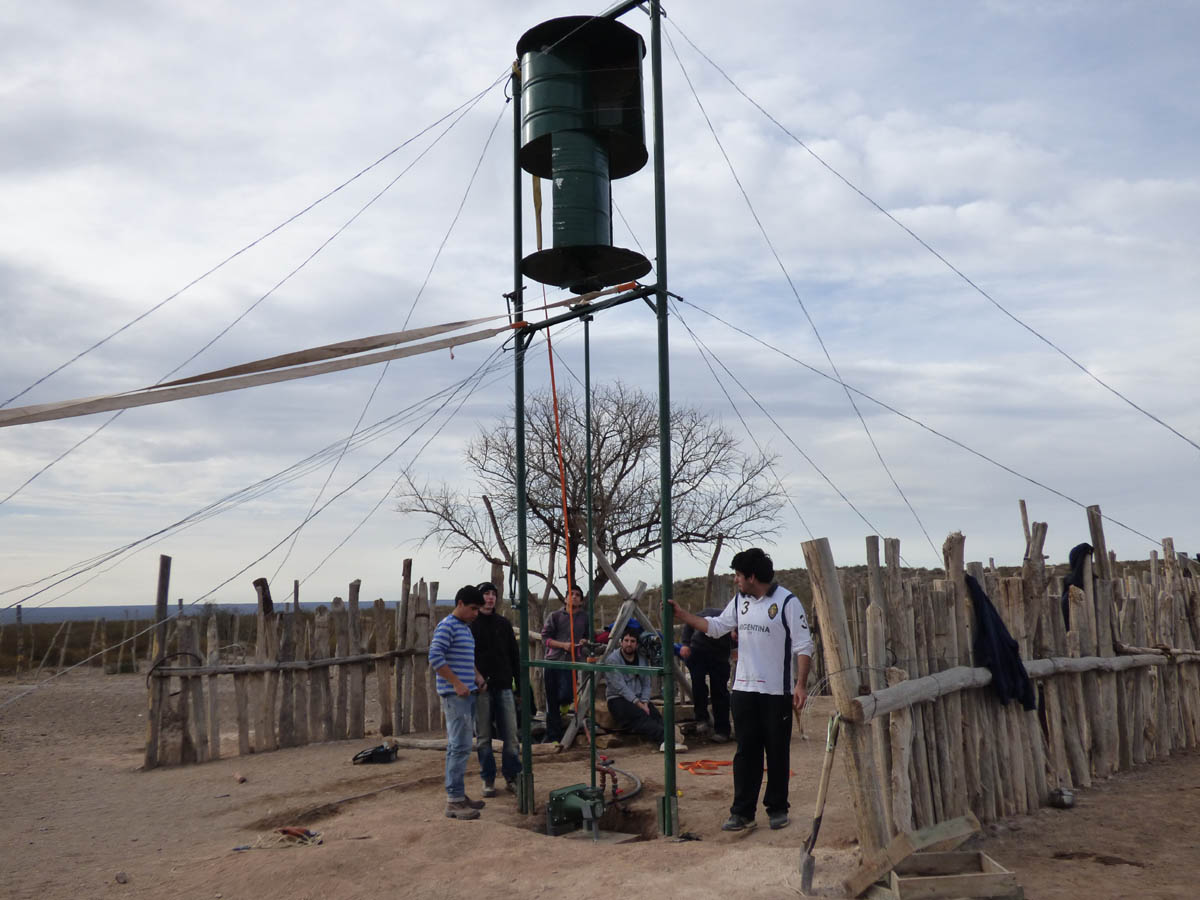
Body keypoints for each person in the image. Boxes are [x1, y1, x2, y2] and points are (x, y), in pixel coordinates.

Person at [670, 548, 813, 832]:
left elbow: (803, 646)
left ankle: (777, 808)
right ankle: (742, 812)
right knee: (745, 751)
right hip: (744, 689)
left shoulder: (788, 602)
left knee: (776, 750)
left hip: (776, 691)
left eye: (738, 575)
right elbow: (716, 626)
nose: (735, 580)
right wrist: (683, 615)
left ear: (751, 576)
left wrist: (800, 684)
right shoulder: (740, 601)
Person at [429, 585, 487, 820]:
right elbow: (435, 657)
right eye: (473, 608)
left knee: (462, 744)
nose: (476, 613)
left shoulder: (465, 628)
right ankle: (453, 800)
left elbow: (466, 657)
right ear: (460, 603)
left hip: (467, 693)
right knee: (459, 745)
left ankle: (459, 795)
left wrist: (476, 675)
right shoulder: (447, 626)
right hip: (456, 696)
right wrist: (455, 683)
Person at [470, 581, 521, 797]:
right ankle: (488, 779)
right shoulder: (471, 625)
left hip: (504, 687)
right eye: (486, 594)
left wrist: (520, 686)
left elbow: (514, 656)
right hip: (481, 690)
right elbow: (465, 657)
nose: (490, 598)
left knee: (510, 736)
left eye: (493, 594)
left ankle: (512, 776)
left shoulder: (503, 624)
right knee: (483, 737)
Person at [540, 585, 589, 744]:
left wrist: (584, 641)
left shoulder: (584, 618)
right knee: (551, 700)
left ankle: (564, 709)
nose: (574, 597)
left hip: (572, 662)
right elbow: (545, 638)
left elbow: (589, 637)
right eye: (571, 594)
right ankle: (554, 736)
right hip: (553, 661)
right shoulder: (555, 616)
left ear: (581, 601)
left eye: (577, 595)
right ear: (566, 598)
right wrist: (562, 645)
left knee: (567, 694)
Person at [603, 627, 665, 746]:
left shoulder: (641, 658)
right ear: (621, 642)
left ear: (636, 644)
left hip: (639, 698)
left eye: (632, 641)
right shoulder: (613, 660)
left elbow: (646, 683)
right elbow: (620, 687)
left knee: (655, 715)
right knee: (641, 716)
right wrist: (639, 704)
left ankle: (666, 740)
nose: (629, 644)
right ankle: (664, 741)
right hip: (618, 699)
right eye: (626, 640)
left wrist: (645, 702)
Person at [680, 605, 733, 742]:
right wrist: (685, 644)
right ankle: (701, 719)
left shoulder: (739, 628)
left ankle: (722, 731)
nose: (736, 641)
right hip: (698, 650)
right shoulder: (712, 616)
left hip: (720, 656)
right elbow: (689, 624)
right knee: (698, 685)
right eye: (735, 638)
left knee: (720, 691)